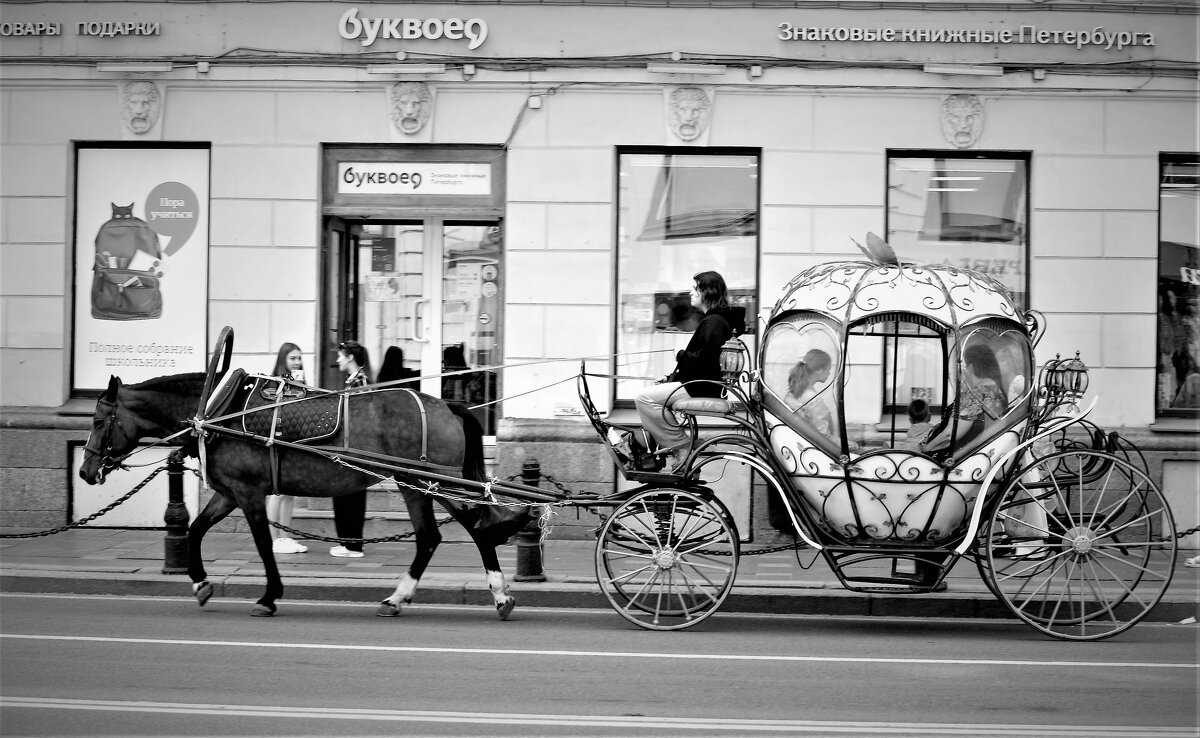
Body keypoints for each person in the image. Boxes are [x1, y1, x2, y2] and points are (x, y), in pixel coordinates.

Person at [635, 271, 737, 471]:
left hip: (700, 387)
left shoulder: (714, 322)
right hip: (698, 384)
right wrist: (670, 378)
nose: (691, 292)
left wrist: (680, 354)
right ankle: (678, 446)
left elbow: (706, 361)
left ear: (707, 292)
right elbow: (703, 362)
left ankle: (681, 448)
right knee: (650, 398)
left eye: (695, 288)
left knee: (644, 399)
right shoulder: (715, 319)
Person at [921, 343, 1007, 456]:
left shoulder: (973, 395)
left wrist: (926, 449)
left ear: (970, 368)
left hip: (959, 458)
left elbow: (949, 435)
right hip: (985, 453)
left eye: (964, 367)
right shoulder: (997, 390)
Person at [330, 340, 372, 558]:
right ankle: (347, 542)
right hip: (349, 446)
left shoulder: (360, 381)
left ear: (350, 358)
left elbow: (359, 416)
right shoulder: (354, 380)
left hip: (354, 447)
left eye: (340, 355)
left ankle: (354, 544)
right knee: (344, 493)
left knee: (351, 495)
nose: (338, 359)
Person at [266, 342, 308, 555]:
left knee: (289, 491)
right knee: (277, 492)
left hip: (296, 441)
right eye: (293, 358)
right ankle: (274, 539)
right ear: (283, 359)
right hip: (280, 440)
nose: (297, 362)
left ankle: (285, 536)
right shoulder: (275, 383)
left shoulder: (298, 380)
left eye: (299, 358)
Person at [784, 349, 836, 439]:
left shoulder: (796, 391)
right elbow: (824, 435)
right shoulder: (812, 398)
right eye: (828, 369)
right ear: (820, 370)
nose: (829, 373)